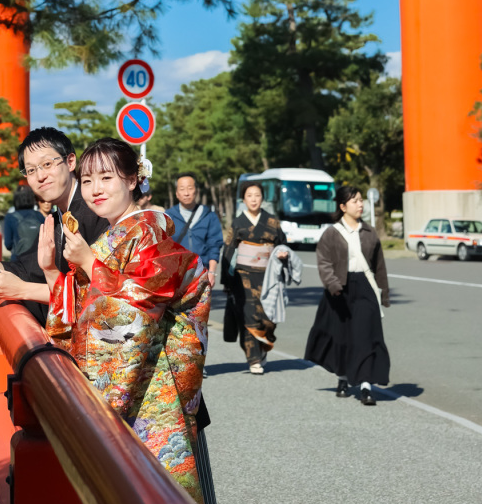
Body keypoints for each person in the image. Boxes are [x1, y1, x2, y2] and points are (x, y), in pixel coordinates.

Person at [43, 138, 211, 504]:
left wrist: (88, 265)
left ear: (134, 179)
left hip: (150, 384)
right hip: (138, 377)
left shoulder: (146, 233)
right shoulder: (118, 234)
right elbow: (87, 305)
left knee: (154, 502)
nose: (95, 189)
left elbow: (138, 310)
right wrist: (52, 270)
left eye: (106, 177)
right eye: (86, 181)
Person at [0, 127, 108, 323]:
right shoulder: (54, 222)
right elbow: (23, 272)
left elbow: (101, 289)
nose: (40, 176)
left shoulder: (98, 210)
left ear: (70, 162)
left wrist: (23, 290)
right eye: (31, 170)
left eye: (47, 164)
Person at [304, 185, 390, 405]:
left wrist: (384, 293)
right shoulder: (331, 233)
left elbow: (379, 266)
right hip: (339, 289)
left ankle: (365, 386)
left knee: (365, 337)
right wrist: (333, 285)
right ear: (342, 207)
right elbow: (324, 263)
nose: (360, 204)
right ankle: (342, 378)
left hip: (364, 287)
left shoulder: (370, 233)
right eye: (355, 201)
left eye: (361, 200)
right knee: (342, 337)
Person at [223, 183, 289, 374]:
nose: (253, 199)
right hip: (243, 276)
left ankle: (264, 344)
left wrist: (283, 254)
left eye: (257, 195)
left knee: (269, 318)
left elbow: (282, 245)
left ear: (262, 198)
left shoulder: (273, 222)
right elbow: (228, 251)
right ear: (244, 200)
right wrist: (227, 280)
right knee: (248, 316)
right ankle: (253, 359)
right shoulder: (238, 223)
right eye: (249, 195)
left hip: (269, 276)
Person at [167, 173, 224, 289]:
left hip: (201, 275)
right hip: (175, 277)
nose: (186, 193)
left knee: (201, 307)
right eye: (182, 189)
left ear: (196, 191)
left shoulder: (209, 216)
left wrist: (212, 272)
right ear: (177, 193)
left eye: (190, 188)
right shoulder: (168, 217)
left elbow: (214, 246)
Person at [1, 186, 44, 261]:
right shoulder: (39, 215)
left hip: (18, 261)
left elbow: (8, 244)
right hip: (37, 261)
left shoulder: (10, 217)